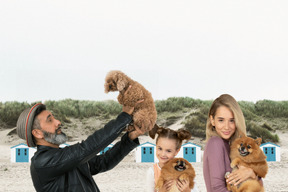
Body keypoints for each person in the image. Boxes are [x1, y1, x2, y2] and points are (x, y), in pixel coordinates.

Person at [16, 87, 152, 192]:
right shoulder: (43, 162)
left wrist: (129, 138)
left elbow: (102, 162)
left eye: (54, 117)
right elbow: (86, 148)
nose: (58, 122)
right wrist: (124, 116)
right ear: (37, 133)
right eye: (50, 120)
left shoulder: (61, 157)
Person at [203, 94, 261, 192]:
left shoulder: (232, 148)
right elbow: (217, 189)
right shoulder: (215, 143)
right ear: (212, 120)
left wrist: (251, 173)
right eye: (221, 120)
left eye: (232, 121)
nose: (227, 127)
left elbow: (259, 186)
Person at [146, 125, 199, 192]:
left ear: (177, 151)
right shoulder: (152, 172)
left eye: (168, 151)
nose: (163, 154)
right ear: (156, 146)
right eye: (160, 148)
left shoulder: (185, 168)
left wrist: (188, 190)